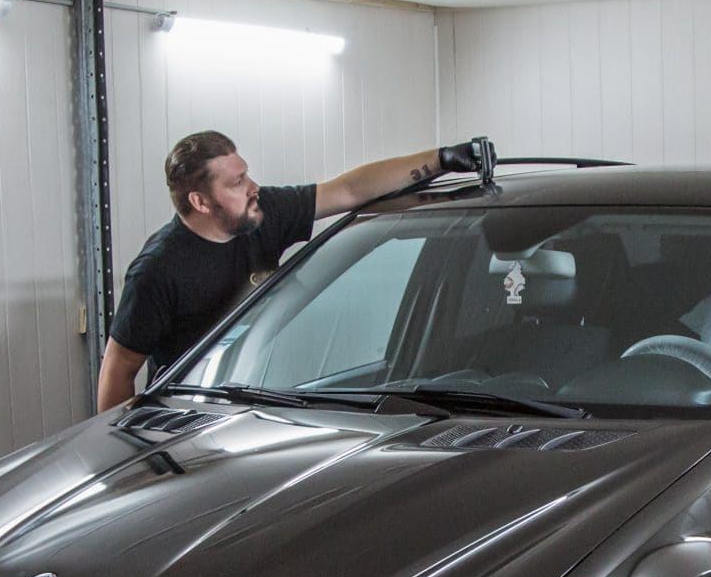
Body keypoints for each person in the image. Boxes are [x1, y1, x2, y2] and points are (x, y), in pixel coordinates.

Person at [94, 132, 496, 410]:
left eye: (246, 173)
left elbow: (348, 191)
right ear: (200, 202)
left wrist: (442, 158)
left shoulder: (263, 214)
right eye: (237, 182)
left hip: (255, 401)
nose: (253, 186)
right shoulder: (158, 271)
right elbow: (119, 368)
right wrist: (124, 455)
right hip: (188, 415)